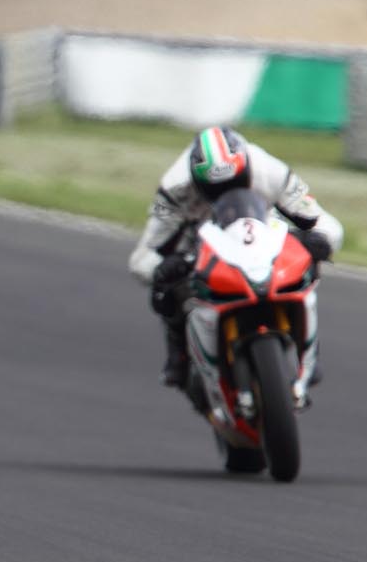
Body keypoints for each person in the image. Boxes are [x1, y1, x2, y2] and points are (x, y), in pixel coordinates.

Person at [129, 127, 343, 389]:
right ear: (197, 182)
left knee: (308, 261)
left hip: (261, 228)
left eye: (233, 184)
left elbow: (326, 224)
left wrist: (315, 241)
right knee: (167, 286)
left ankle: (307, 349)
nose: (225, 194)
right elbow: (142, 257)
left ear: (245, 169)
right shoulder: (175, 189)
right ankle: (179, 355)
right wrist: (163, 268)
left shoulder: (269, 170)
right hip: (198, 239)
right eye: (215, 189)